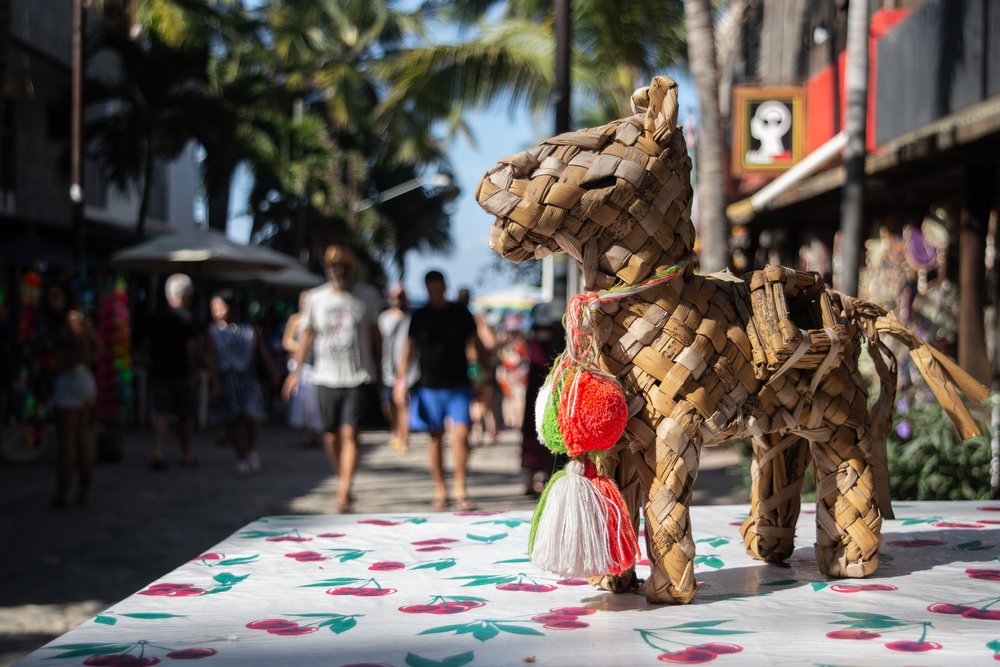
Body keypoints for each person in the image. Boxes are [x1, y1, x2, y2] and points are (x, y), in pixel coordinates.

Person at [283, 245, 381, 513]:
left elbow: (376, 336)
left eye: (345, 267)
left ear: (353, 270)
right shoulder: (316, 298)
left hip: (358, 376)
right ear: (327, 270)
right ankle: (343, 477)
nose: (340, 272)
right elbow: (306, 337)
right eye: (334, 267)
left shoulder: (368, 296)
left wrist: (380, 371)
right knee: (330, 436)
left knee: (350, 432)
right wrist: (295, 372)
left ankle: (344, 489)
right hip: (325, 375)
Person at [396, 270, 480, 511]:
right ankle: (441, 489)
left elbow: (474, 344)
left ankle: (460, 486)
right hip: (429, 386)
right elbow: (409, 349)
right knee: (435, 438)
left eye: (438, 288)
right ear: (426, 288)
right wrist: (401, 382)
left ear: (445, 286)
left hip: (459, 384)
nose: (435, 292)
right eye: (431, 289)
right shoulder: (420, 316)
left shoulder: (461, 313)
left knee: (462, 434)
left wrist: (482, 375)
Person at [205, 290, 279, 476]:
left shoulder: (250, 328)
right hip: (227, 379)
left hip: (248, 377)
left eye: (220, 306)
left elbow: (263, 352)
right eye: (214, 307)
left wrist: (274, 373)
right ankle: (242, 456)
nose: (217, 311)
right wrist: (214, 383)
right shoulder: (213, 331)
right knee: (233, 419)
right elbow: (211, 359)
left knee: (252, 415)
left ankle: (251, 450)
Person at [44, 280, 100, 509]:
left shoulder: (72, 319)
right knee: (81, 436)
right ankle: (81, 492)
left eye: (56, 295)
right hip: (82, 379)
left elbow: (89, 348)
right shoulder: (78, 317)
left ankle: (65, 492)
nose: (52, 301)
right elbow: (96, 346)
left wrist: (61, 364)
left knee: (69, 440)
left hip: (72, 379)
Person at [149, 273, 198, 471]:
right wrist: (193, 370)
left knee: (162, 412)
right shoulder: (187, 318)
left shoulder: (156, 316)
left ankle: (158, 451)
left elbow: (147, 345)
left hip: (160, 370)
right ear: (187, 295)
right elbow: (191, 348)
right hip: (181, 372)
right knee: (185, 415)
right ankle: (186, 454)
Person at [521, 302, 564, 496]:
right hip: (541, 394)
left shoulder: (540, 342)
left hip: (550, 394)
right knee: (537, 435)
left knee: (549, 435)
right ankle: (534, 479)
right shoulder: (539, 343)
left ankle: (543, 479)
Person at [378, 283, 417, 454]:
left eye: (402, 295)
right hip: (387, 369)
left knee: (403, 403)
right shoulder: (383, 318)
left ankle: (404, 438)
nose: (399, 299)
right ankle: (396, 431)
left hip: (408, 370)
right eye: (396, 295)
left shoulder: (412, 318)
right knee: (387, 405)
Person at [457, 287, 499, 446]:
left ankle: (477, 431)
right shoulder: (475, 319)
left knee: (473, 399)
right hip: (476, 365)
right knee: (480, 399)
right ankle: (478, 431)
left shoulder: (453, 317)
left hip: (458, 366)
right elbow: (490, 342)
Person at [282, 291, 323, 447]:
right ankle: (307, 433)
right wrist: (302, 348)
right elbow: (286, 341)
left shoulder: (318, 319)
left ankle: (315, 433)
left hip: (317, 365)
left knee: (315, 402)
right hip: (301, 365)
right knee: (303, 401)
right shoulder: (296, 320)